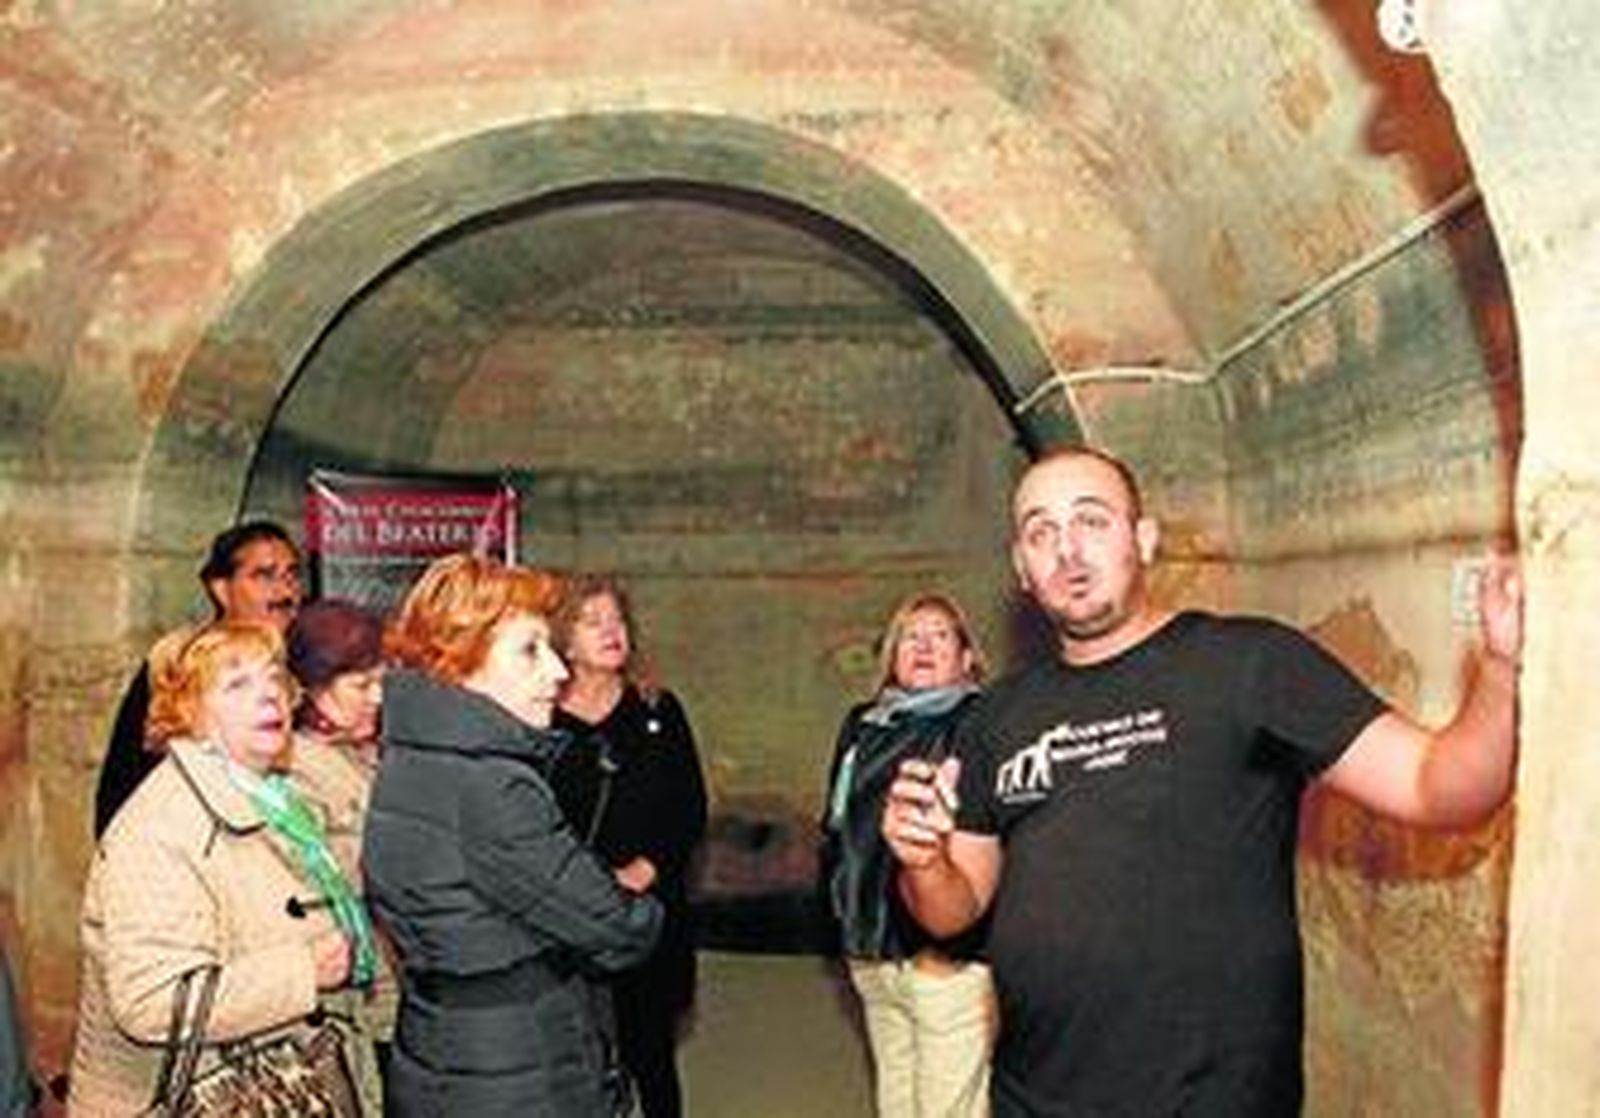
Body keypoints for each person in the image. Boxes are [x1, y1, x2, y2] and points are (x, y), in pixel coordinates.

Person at [882, 447, 1522, 1117]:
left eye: (1092, 521)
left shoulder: (1248, 664)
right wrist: (924, 862)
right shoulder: (997, 714)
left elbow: (1439, 787)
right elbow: (955, 908)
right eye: (1041, 532)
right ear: (1021, 567)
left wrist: (1502, 671)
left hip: (1214, 1100)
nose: (1067, 550)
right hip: (1035, 1096)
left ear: (1143, 539)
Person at [363, 554, 663, 1117]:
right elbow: (617, 927)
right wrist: (642, 910)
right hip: (517, 1066)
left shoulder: (406, 758)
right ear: (461, 663)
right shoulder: (493, 785)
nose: (557, 670)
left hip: (436, 1044)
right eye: (529, 650)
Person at [68, 620, 381, 1116]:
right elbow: (151, 1000)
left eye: (274, 677)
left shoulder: (278, 797)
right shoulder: (161, 828)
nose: (269, 695)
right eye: (237, 685)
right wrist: (304, 971)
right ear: (188, 712)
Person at [821, 592, 995, 1118]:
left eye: (940, 635)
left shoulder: (983, 725)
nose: (923, 646)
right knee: (896, 1098)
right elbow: (838, 828)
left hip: (944, 955)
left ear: (967, 657)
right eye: (910, 637)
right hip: (871, 949)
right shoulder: (864, 724)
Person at [550, 575, 708, 1118]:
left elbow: (689, 806)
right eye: (593, 622)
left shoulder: (657, 710)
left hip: (647, 910)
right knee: (576, 1059)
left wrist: (648, 868)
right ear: (565, 641)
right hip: (569, 915)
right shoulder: (542, 718)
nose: (611, 631)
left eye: (617, 620)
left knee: (651, 1053)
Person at [93, 520, 303, 837]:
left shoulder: (305, 656)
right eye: (264, 575)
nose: (285, 591)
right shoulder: (181, 660)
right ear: (221, 590)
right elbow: (129, 773)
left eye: (292, 575)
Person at [286, 598, 398, 1099]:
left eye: (381, 681)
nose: (378, 696)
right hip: (350, 1004)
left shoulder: (366, 751)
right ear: (313, 687)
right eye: (361, 685)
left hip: (391, 991)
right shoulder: (296, 771)